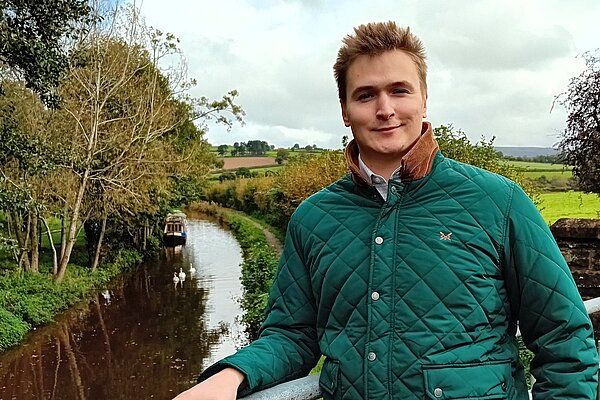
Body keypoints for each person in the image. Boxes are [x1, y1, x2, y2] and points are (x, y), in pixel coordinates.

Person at [174, 21, 598, 399]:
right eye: (365, 95)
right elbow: (292, 335)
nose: (385, 109)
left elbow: (564, 338)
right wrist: (229, 377)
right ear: (345, 110)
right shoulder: (313, 219)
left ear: (424, 99)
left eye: (399, 90)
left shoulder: (499, 202)